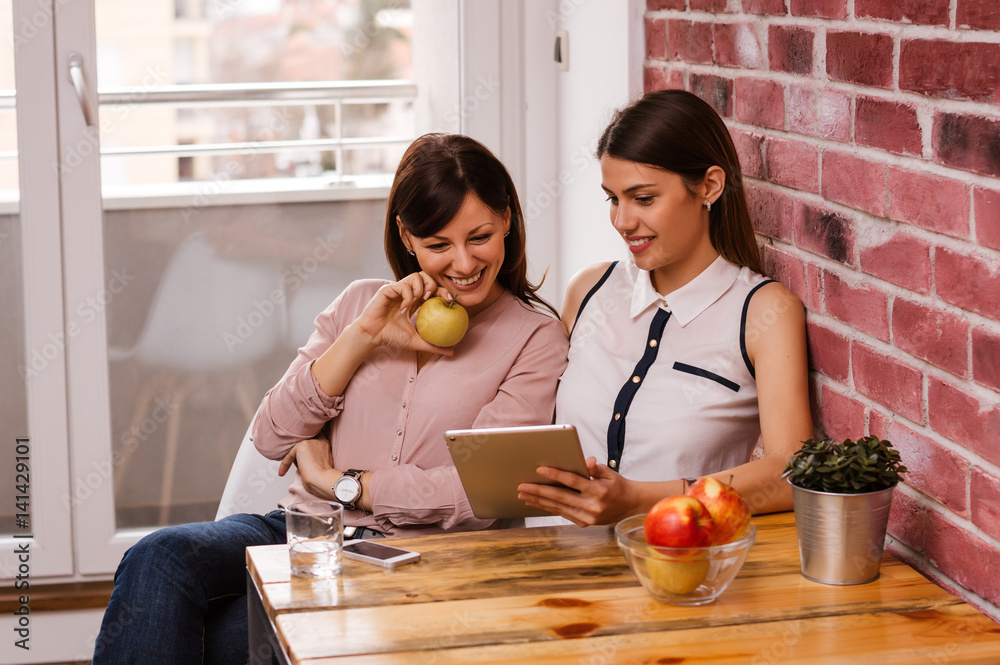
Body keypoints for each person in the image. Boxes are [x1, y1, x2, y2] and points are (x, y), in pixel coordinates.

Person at [92, 133, 569, 665]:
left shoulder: (535, 338)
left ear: (506, 218)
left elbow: (484, 493)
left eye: (479, 236)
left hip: (418, 560)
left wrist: (340, 483)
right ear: (407, 238)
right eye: (439, 245)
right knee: (157, 559)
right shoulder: (362, 305)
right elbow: (273, 434)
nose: (463, 263)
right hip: (298, 536)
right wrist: (363, 337)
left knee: (232, 642)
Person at [519, 89, 813, 526]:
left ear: (709, 186)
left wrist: (642, 501)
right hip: (553, 570)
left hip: (681, 570)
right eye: (612, 199)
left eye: (643, 199)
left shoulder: (763, 312)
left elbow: (791, 472)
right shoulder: (589, 291)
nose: (622, 221)